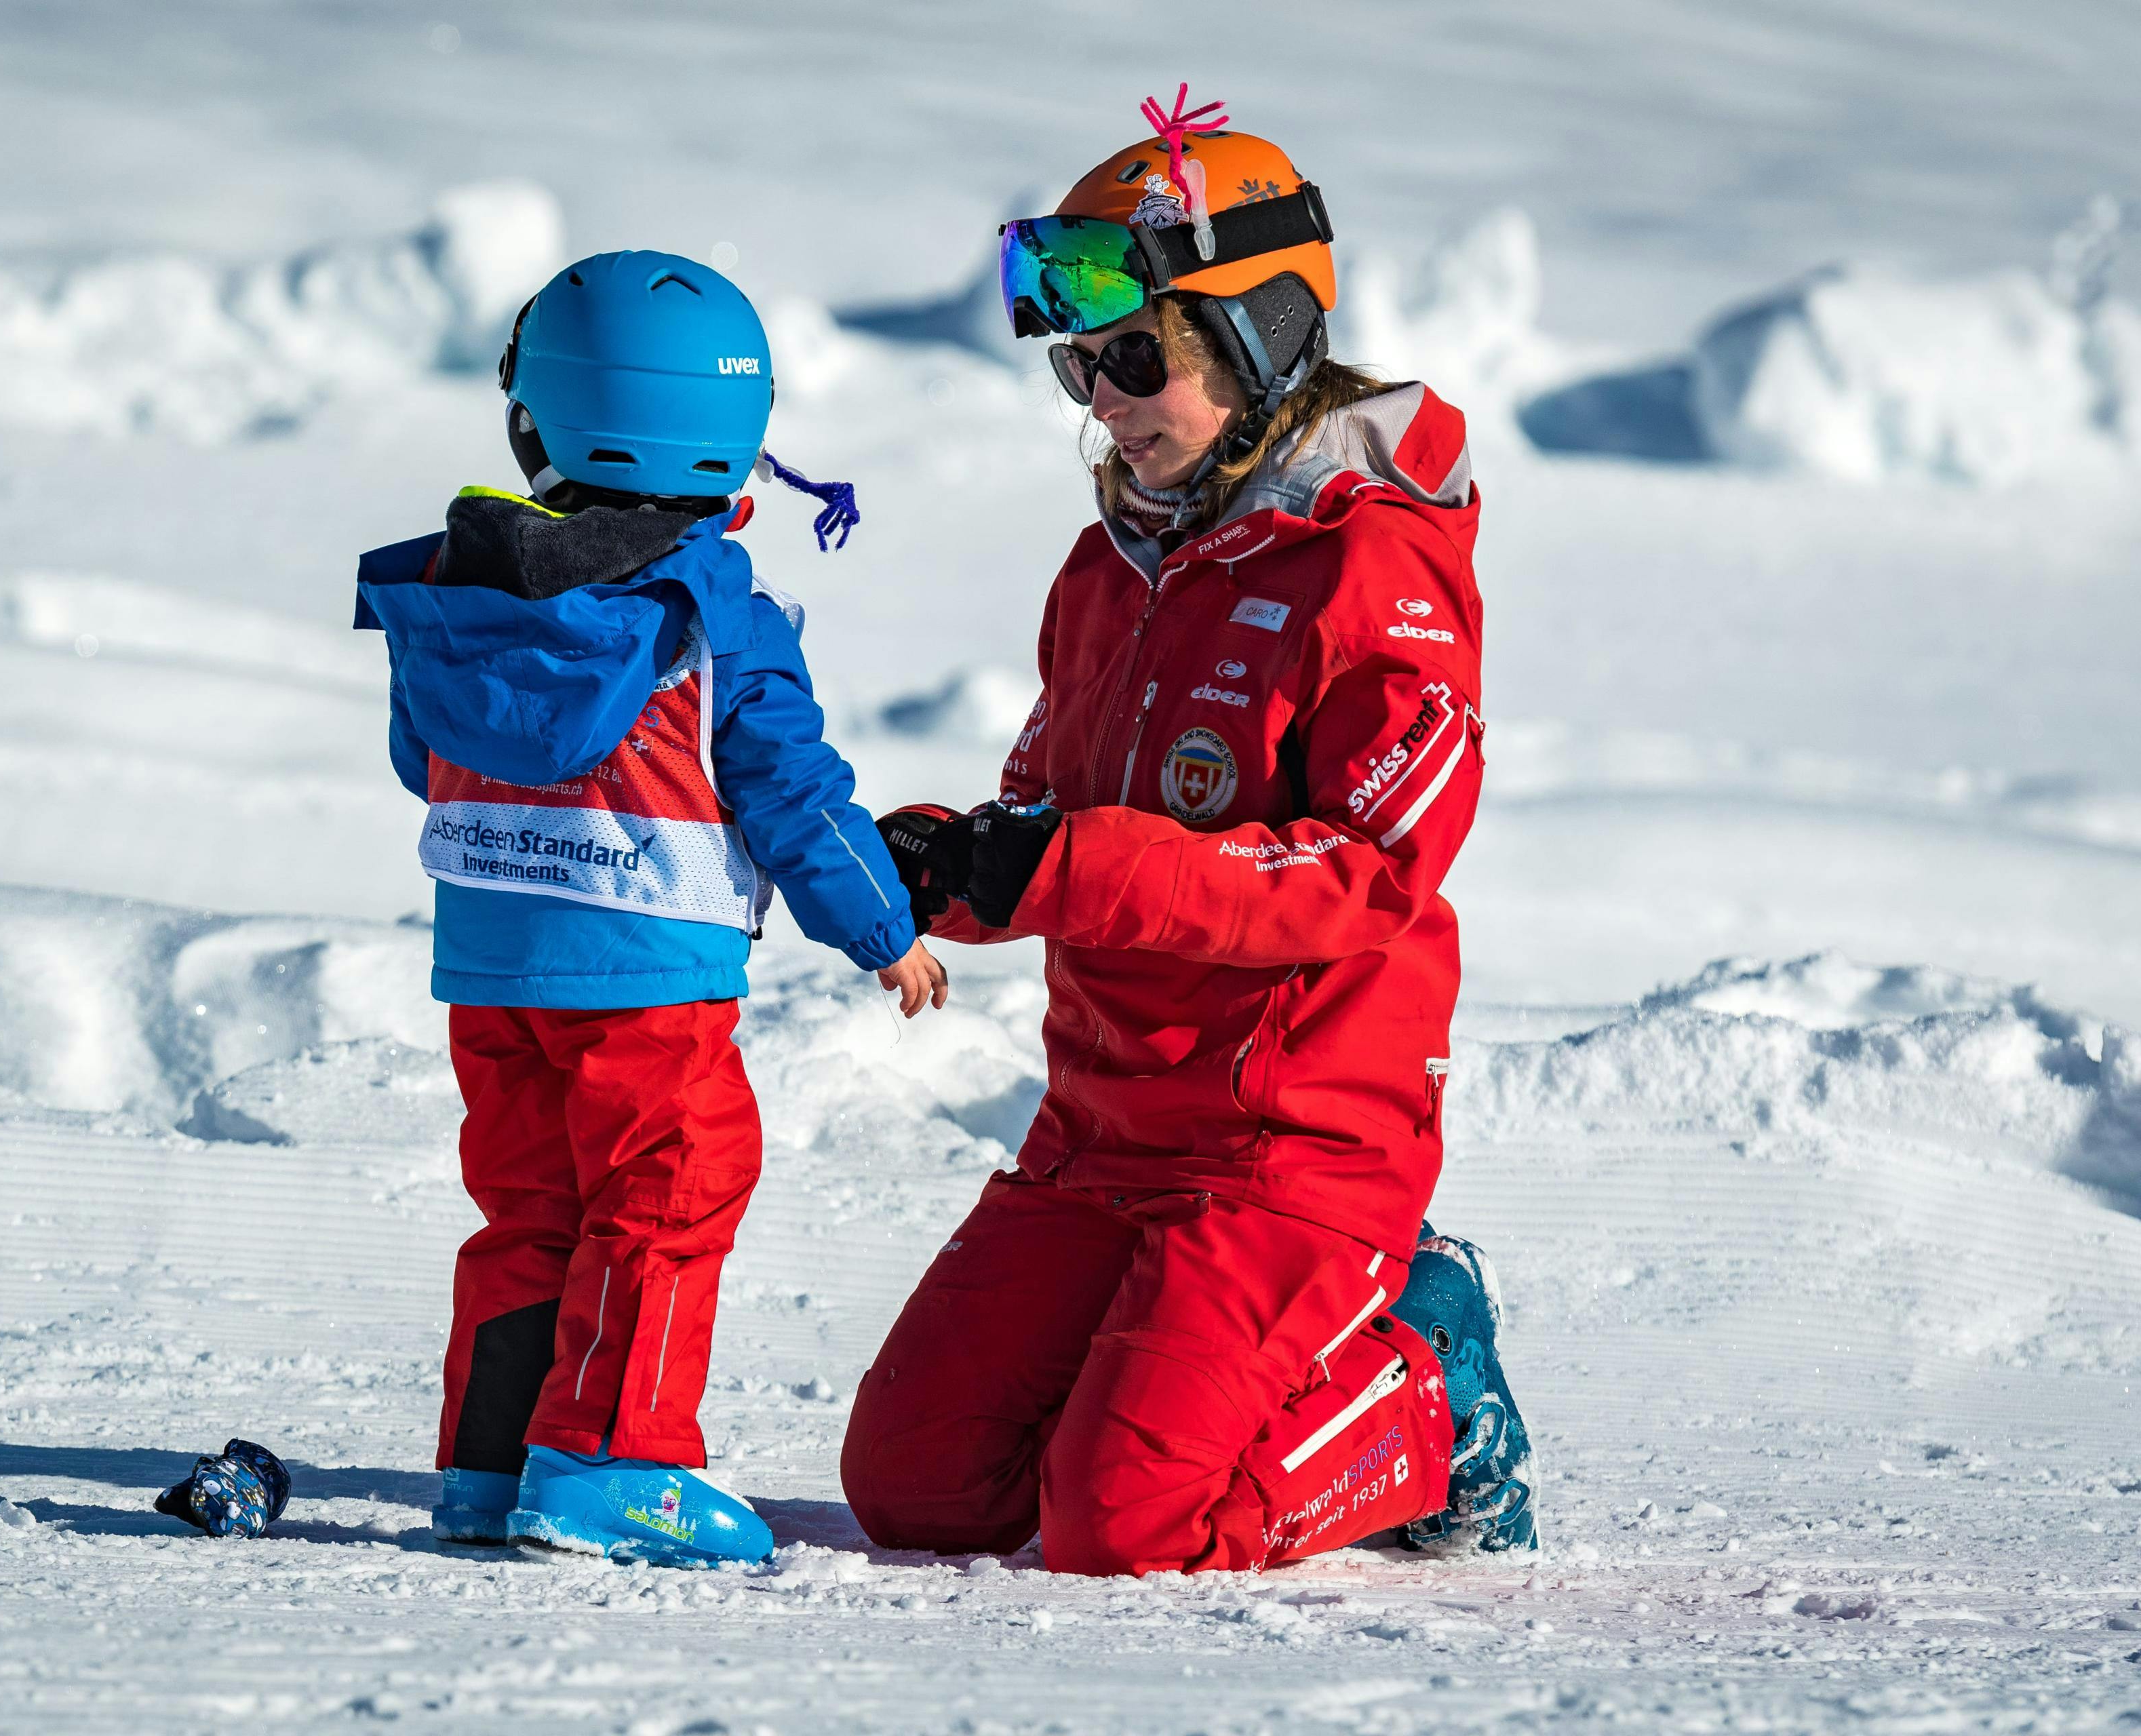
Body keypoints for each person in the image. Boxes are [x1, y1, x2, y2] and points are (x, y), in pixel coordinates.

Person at [840, 92, 1535, 1576]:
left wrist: (1069, 862)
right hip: (1102, 1131)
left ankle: (1423, 1390)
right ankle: (1192, 1369)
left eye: (1137, 356)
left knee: (1124, 1524)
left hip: (1293, 1147)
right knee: (917, 1486)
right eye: (1083, 362)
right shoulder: (1110, 571)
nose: (1101, 396)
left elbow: (1369, 873)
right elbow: (1050, 815)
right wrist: (942, 863)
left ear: (1260, 339)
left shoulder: (1373, 568)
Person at [354, 251, 947, 1568]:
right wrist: (882, 924)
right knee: (670, 1188)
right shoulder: (712, 613)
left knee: (532, 1203)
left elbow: (424, 755)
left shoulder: (461, 588)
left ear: (536, 420)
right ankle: (613, 1460)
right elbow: (790, 787)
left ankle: (489, 1463)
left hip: (492, 964)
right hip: (645, 971)